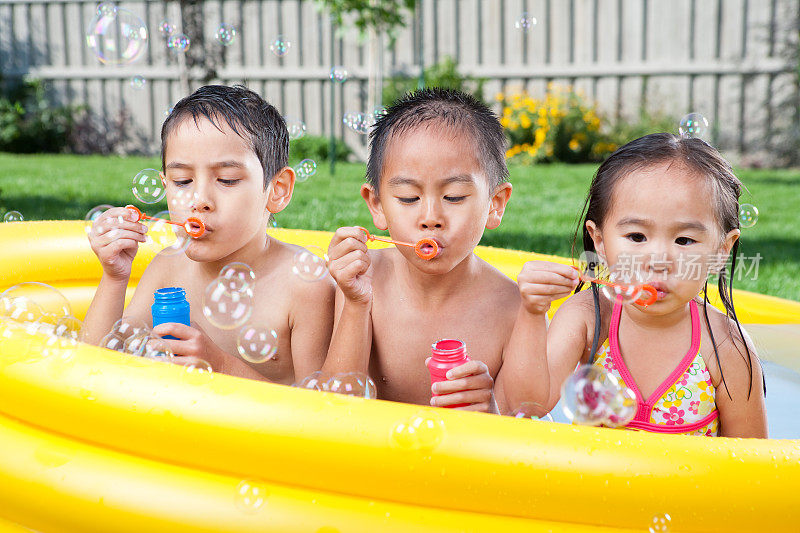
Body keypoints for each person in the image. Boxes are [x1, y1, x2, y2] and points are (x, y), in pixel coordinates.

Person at [83, 84, 335, 384]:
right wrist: (114, 278)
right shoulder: (167, 268)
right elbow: (98, 367)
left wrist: (222, 366)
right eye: (182, 180)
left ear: (277, 190)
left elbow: (319, 410)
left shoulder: (306, 286)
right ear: (165, 184)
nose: (198, 199)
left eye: (226, 180)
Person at [520, 132, 767, 436]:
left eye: (684, 240)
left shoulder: (725, 346)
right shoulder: (587, 316)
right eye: (637, 237)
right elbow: (530, 404)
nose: (658, 260)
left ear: (721, 251)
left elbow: (751, 465)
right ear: (599, 241)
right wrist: (532, 313)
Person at [324, 88, 549, 413]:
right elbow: (335, 408)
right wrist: (357, 305)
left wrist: (488, 406)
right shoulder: (361, 280)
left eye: (455, 197)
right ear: (377, 206)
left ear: (495, 205)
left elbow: (523, 426)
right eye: (408, 199)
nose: (430, 218)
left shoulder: (513, 308)